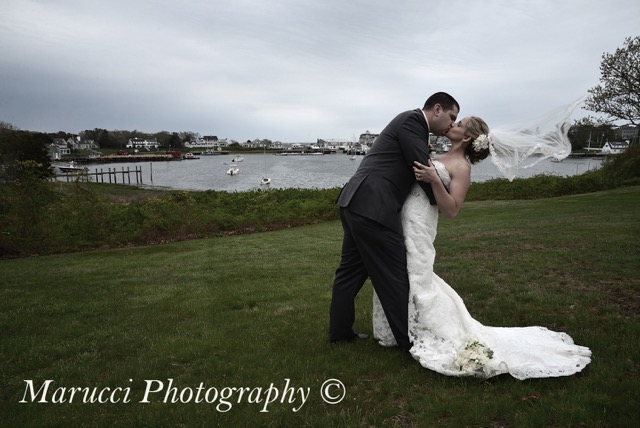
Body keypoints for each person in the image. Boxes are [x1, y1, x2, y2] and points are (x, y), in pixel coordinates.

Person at [373, 109, 592, 379]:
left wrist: (434, 180)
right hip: (403, 216)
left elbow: (452, 209)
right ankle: (398, 327)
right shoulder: (438, 157)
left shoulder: (462, 167)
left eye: (459, 123)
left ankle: (418, 329)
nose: (453, 124)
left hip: (421, 223)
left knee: (416, 271)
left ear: (466, 137)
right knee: (396, 268)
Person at [329, 92, 460, 350]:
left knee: (350, 273)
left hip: (355, 202)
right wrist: (440, 201)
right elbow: (421, 168)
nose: (452, 124)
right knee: (394, 276)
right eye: (452, 117)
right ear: (437, 109)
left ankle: (340, 332)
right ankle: (408, 342)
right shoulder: (413, 121)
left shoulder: (410, 123)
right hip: (373, 207)